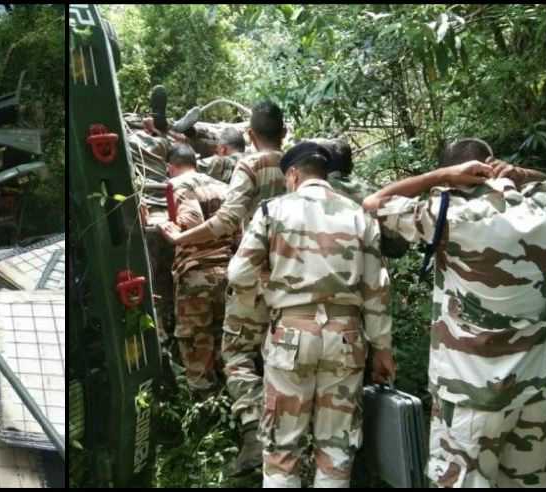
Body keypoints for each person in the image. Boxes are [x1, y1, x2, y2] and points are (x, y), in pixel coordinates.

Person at [363, 138, 546, 488]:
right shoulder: (540, 207)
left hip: (470, 394)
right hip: (535, 390)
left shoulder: (450, 214)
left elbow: (374, 204)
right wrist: (518, 174)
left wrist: (440, 176)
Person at [226, 142, 395, 488]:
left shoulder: (272, 212)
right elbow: (377, 289)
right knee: (336, 448)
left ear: (293, 175)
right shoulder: (359, 215)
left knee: (282, 447)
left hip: (290, 337)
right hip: (346, 339)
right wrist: (382, 349)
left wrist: (270, 288)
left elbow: (238, 274)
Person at [159, 100, 288, 474]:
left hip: (253, 274)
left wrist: (178, 239)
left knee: (233, 353)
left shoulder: (249, 165)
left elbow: (227, 220)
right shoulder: (297, 165)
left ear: (251, 135)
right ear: (284, 133)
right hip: (294, 276)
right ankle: (288, 435)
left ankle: (249, 435)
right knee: (278, 354)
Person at [165, 144, 235, 395]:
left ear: (170, 167)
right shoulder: (223, 187)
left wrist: (172, 231)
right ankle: (228, 407)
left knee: (195, 343)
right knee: (221, 342)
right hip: (227, 275)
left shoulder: (178, 184)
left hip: (196, 276)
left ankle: (204, 408)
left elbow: (192, 219)